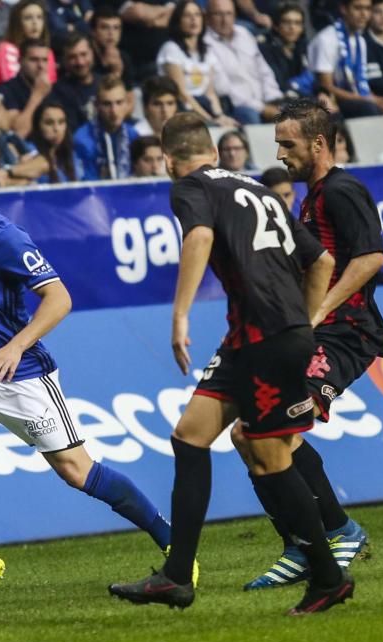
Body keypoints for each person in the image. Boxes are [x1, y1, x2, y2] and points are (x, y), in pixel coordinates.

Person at [107, 112, 347, 615]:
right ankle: (177, 576)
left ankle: (328, 577)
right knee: (190, 434)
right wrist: (304, 323)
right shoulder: (260, 188)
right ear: (216, 152)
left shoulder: (189, 187)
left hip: (264, 338)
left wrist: (179, 315)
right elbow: (321, 260)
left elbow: (198, 238)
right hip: (256, 337)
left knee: (270, 459)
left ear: (171, 161)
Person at [0, 144, 173, 596]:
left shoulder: (5, 238)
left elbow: (59, 298)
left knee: (78, 472)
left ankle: (174, 543)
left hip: (23, 377)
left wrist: (16, 346)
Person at [237, 99, 383, 591]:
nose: (280, 153)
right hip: (313, 334)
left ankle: (338, 531)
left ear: (318, 143)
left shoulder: (342, 191)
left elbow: (369, 259)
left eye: (288, 143)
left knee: (278, 430)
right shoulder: (312, 197)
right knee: (248, 433)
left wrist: (320, 309)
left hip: (346, 334)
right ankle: (299, 545)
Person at [308, 0, 383, 117]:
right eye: (358, 8)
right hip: (328, 101)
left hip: (354, 98)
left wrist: (378, 99)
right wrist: (369, 100)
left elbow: (360, 82)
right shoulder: (327, 39)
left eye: (368, 9)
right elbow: (326, 86)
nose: (364, 14)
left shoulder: (360, 41)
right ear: (344, 9)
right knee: (368, 108)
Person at [157, 0, 238, 126]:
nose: (193, 20)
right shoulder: (171, 49)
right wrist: (209, 120)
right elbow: (182, 93)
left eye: (197, 15)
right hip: (183, 108)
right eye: (187, 15)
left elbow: (210, 93)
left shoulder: (207, 51)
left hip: (204, 105)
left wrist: (220, 116)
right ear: (178, 21)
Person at [204, 0, 283, 124]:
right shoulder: (205, 43)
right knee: (250, 116)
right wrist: (262, 108)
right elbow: (224, 89)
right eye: (218, 14)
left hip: (265, 101)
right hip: (237, 107)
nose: (225, 20)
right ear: (207, 17)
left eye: (229, 14)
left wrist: (274, 98)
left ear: (235, 15)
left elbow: (264, 70)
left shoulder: (244, 34)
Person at [74, 76, 140, 179]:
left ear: (127, 103)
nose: (114, 111)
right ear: (96, 105)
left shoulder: (133, 135)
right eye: (107, 104)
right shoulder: (81, 138)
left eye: (119, 102)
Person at [0, 0, 58, 87]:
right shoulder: (7, 49)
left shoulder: (48, 52)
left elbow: (51, 85)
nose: (35, 23)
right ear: (17, 23)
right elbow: (14, 88)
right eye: (28, 18)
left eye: (39, 17)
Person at [0, 39, 52, 137]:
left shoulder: (53, 89)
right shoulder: (6, 90)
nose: (41, 66)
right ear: (20, 61)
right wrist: (37, 95)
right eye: (34, 60)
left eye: (44, 60)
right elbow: (19, 133)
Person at [50, 32, 98, 130]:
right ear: (64, 60)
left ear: (92, 53)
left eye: (83, 54)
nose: (80, 62)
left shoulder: (105, 83)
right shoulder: (58, 92)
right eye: (72, 57)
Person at [30, 101, 83, 182]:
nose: (56, 129)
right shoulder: (29, 150)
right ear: (38, 126)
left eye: (61, 122)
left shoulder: (72, 155)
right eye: (49, 123)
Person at [89, 5, 136, 89]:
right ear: (93, 31)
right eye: (104, 27)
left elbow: (130, 98)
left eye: (116, 28)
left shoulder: (124, 57)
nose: (111, 33)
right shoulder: (85, 57)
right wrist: (116, 73)